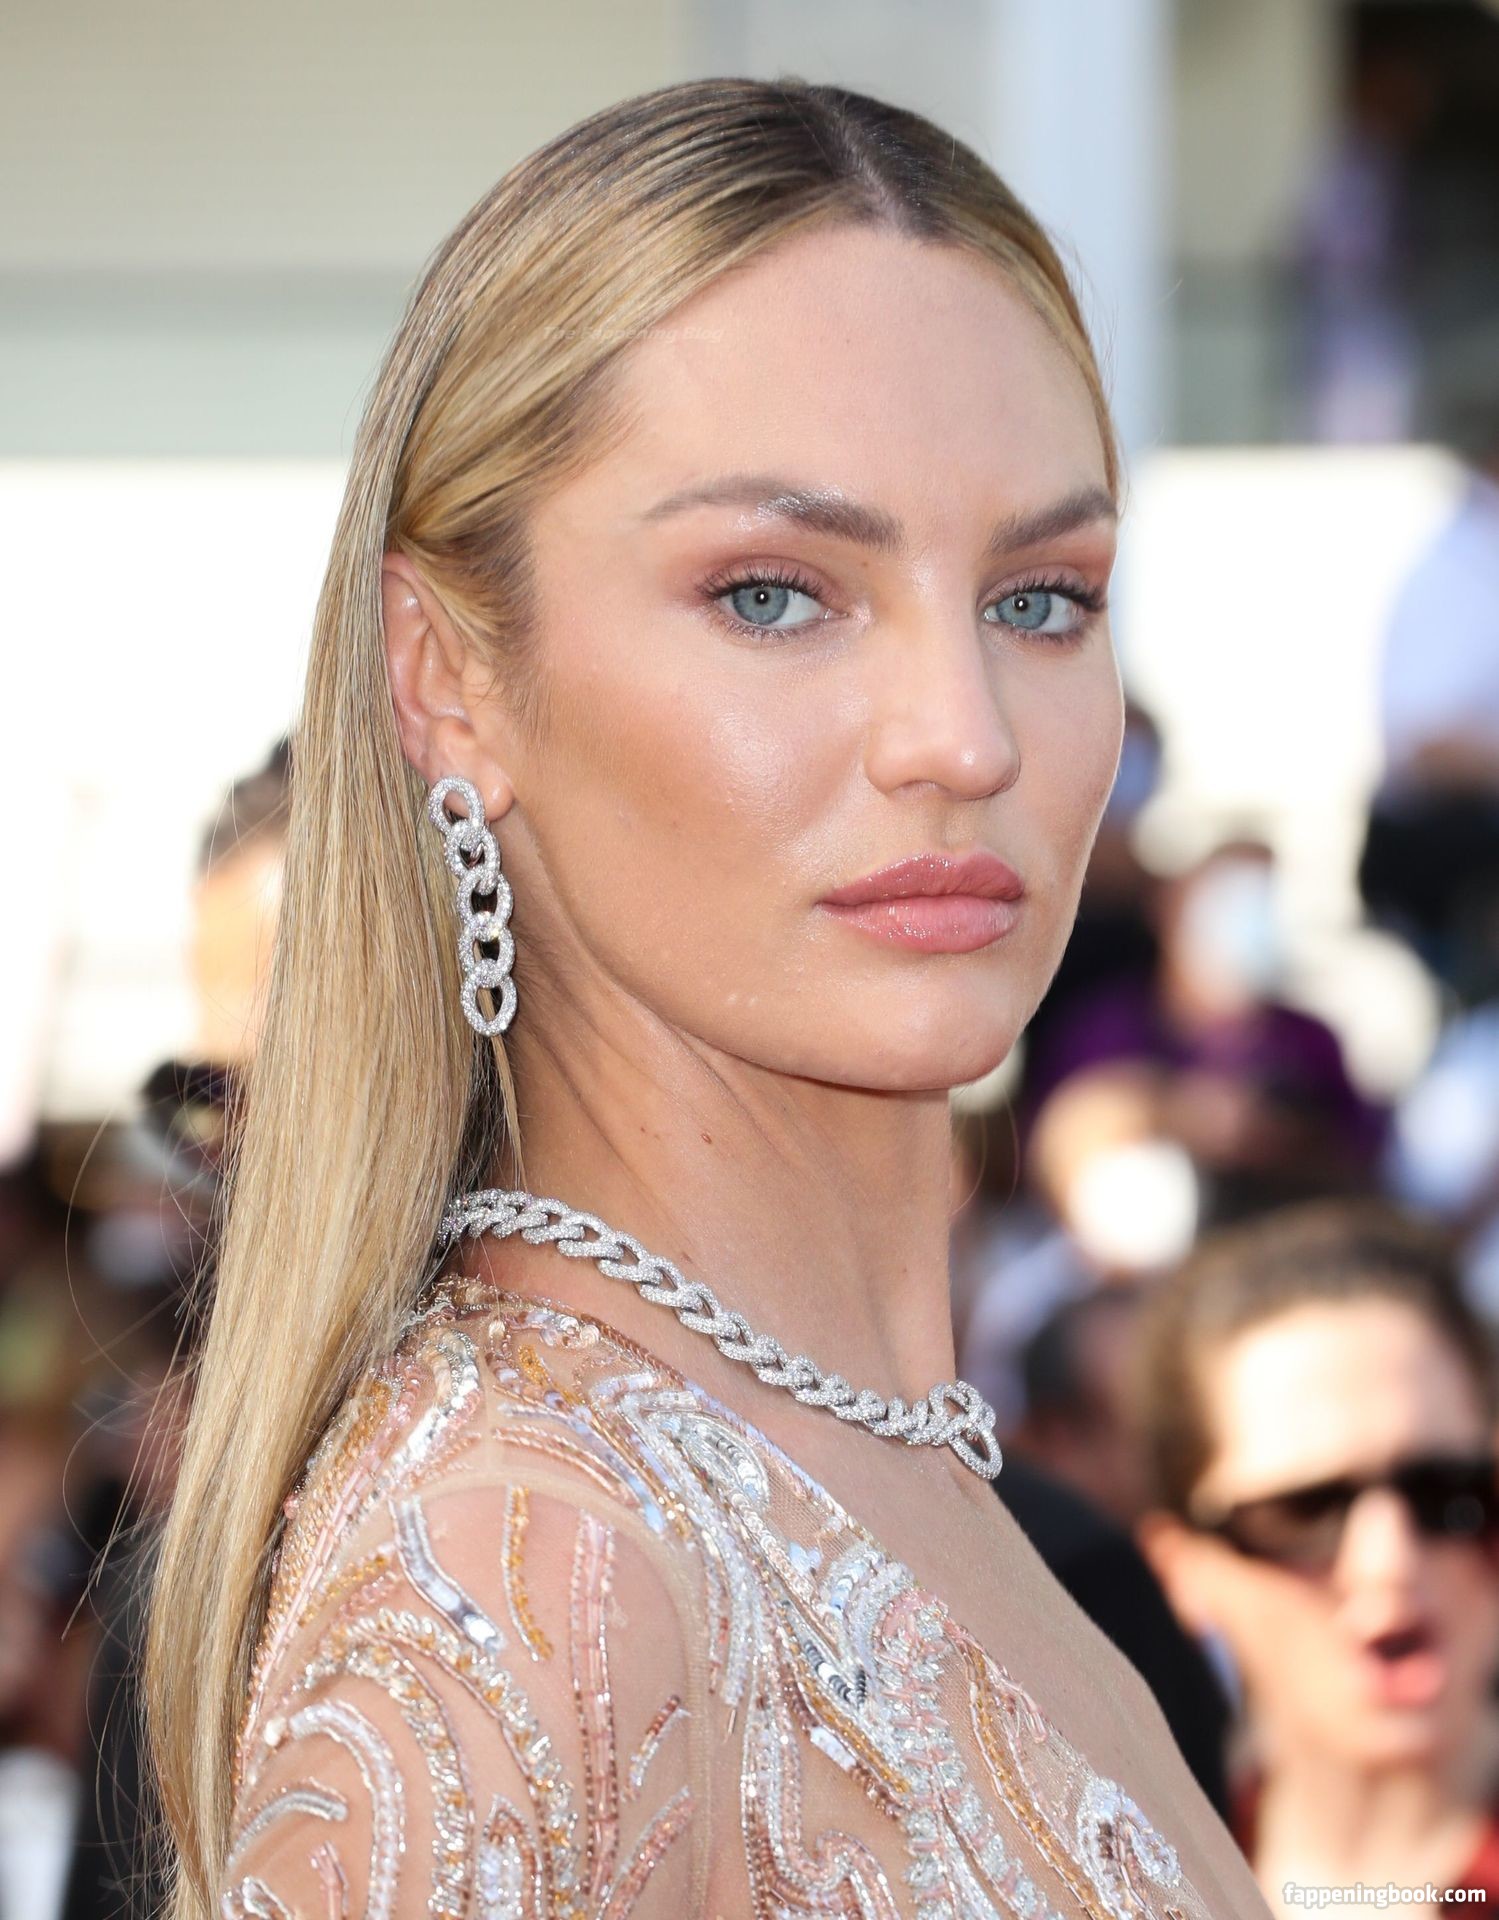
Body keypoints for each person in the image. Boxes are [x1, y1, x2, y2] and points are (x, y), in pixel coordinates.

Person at [144, 78, 1271, 1920]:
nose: (961, 737)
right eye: (769, 595)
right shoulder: (532, 1568)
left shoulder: (876, 1466)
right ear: (447, 679)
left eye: (1038, 598)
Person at [1134, 1200, 1499, 1916]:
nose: (1387, 1560)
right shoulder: (1117, 1884)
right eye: (1303, 1513)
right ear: (1183, 1568)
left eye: (1445, 1493)